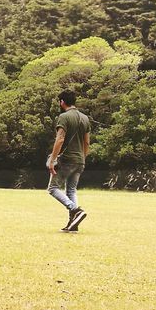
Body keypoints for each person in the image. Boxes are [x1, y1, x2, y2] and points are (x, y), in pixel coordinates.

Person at [47, 89, 91, 232]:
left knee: (53, 188)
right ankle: (73, 224)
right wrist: (83, 159)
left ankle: (75, 210)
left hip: (67, 159)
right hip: (80, 160)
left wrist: (53, 160)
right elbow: (87, 143)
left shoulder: (64, 117)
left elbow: (60, 139)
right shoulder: (85, 118)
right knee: (71, 190)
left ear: (62, 102)